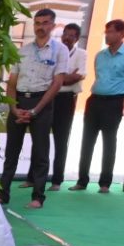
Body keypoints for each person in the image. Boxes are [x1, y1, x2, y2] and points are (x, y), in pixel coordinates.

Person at [0, 9, 70, 210]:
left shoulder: (60, 50)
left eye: (45, 23)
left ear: (53, 26)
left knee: (40, 153)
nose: (40, 27)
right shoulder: (23, 51)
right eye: (37, 23)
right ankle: (3, 194)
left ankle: (38, 196)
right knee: (11, 152)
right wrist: (13, 108)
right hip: (19, 102)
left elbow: (57, 83)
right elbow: (11, 83)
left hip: (42, 104)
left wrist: (36, 111)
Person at [76, 20, 124, 193]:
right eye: (106, 31)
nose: (106, 35)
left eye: (110, 32)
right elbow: (98, 76)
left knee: (109, 142)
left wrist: (121, 94)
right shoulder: (100, 55)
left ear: (121, 34)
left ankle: (105, 183)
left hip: (114, 102)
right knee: (87, 141)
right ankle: (82, 180)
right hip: (95, 100)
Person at [49, 23, 85, 190]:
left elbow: (77, 77)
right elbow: (48, 76)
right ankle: (32, 178)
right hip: (49, 97)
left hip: (66, 100)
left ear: (76, 38)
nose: (67, 38)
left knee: (61, 140)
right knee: (40, 138)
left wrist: (59, 79)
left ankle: (57, 180)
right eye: (65, 34)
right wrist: (65, 77)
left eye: (71, 35)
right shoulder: (53, 51)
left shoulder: (81, 54)